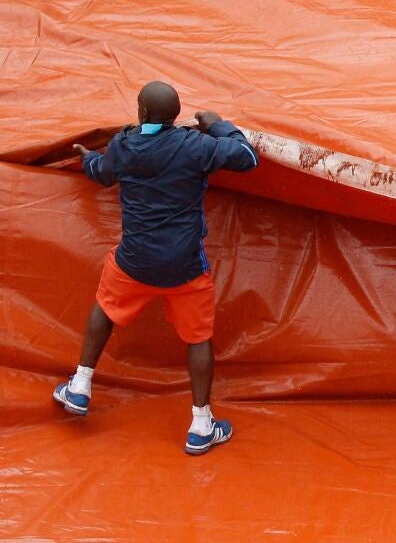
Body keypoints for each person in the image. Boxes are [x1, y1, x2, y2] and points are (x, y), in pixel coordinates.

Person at [54, 81, 259, 455]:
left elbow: (102, 172)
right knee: (198, 339)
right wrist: (218, 124)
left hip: (135, 262)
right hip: (185, 267)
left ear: (142, 113)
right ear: (175, 116)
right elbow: (247, 157)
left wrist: (85, 158)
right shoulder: (197, 146)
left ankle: (80, 386)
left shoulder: (124, 145)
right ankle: (200, 425)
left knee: (105, 307)